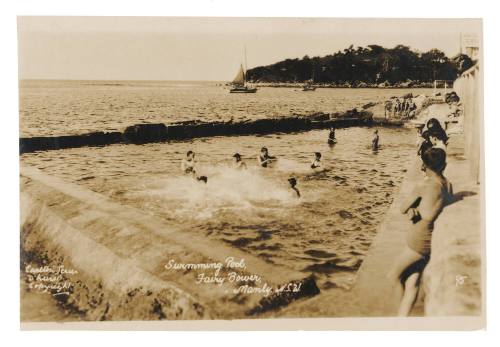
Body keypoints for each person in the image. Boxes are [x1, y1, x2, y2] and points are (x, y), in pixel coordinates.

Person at [387, 147, 453, 316]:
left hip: (418, 241)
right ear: (443, 165)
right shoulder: (447, 184)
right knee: (412, 281)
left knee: (393, 276)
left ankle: (395, 319)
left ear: (425, 166)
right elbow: (436, 207)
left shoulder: (424, 185)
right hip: (431, 241)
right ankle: (403, 318)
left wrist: (412, 210)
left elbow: (403, 208)